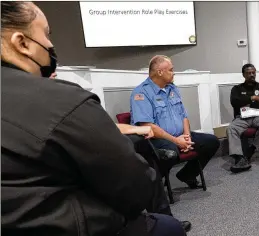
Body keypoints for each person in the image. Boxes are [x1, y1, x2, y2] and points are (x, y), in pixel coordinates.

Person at [1, 2, 185, 236]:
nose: (49, 44)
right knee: (169, 228)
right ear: (22, 43)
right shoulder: (63, 99)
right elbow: (135, 186)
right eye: (47, 34)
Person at [130, 55, 219, 189]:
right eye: (171, 70)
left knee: (212, 141)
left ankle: (187, 174)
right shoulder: (141, 93)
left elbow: (183, 115)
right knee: (170, 153)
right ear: (160, 72)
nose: (174, 73)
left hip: (179, 135)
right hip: (155, 139)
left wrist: (187, 137)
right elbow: (148, 127)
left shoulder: (172, 88)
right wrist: (177, 141)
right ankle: (153, 185)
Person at [227, 63, 259, 173]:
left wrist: (246, 101)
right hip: (242, 117)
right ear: (243, 75)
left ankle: (250, 151)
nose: (252, 75)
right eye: (249, 73)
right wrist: (253, 98)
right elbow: (235, 102)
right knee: (231, 128)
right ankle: (239, 158)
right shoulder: (236, 89)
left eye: (253, 73)